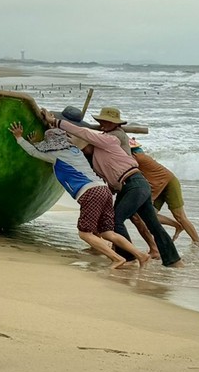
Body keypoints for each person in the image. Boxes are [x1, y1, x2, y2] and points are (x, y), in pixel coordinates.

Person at [10, 119, 147, 269]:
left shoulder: (55, 155)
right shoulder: (75, 150)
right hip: (103, 189)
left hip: (90, 192)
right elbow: (43, 149)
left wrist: (18, 137)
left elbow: (32, 152)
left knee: (85, 233)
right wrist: (37, 142)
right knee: (107, 232)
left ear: (51, 145)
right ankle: (140, 255)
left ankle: (116, 258)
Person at [54, 105, 181, 267]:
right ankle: (173, 261)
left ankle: (129, 257)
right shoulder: (100, 151)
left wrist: (57, 122)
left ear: (117, 124)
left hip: (134, 183)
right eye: (102, 121)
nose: (104, 124)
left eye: (108, 121)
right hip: (133, 185)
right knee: (153, 225)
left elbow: (85, 134)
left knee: (115, 221)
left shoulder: (112, 138)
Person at [129, 141, 199, 247]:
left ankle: (198, 242)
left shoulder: (136, 157)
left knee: (180, 216)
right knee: (147, 215)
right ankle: (177, 226)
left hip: (169, 183)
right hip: (157, 185)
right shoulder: (137, 155)